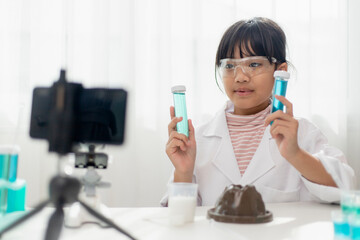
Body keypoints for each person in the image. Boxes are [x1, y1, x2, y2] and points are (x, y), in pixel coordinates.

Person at [161, 17, 355, 206]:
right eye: (229, 66)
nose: (240, 77)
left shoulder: (303, 133)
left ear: (280, 71)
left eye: (254, 64)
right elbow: (179, 220)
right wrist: (184, 173)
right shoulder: (200, 138)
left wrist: (296, 154)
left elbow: (345, 186)